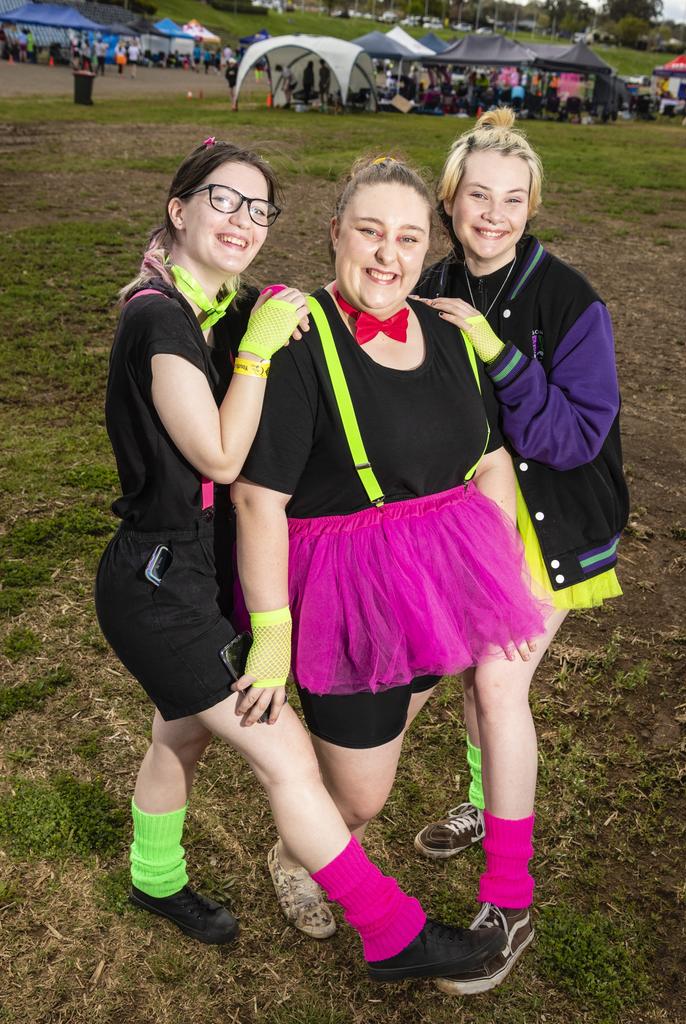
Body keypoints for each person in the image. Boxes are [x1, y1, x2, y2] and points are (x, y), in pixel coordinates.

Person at [95, 138, 505, 982]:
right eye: (222, 201)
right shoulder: (158, 317)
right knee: (285, 757)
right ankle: (393, 931)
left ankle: (154, 876)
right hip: (159, 578)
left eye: (257, 208)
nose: (242, 221)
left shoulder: (214, 304)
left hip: (193, 567)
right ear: (178, 209)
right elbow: (219, 459)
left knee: (180, 733)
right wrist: (257, 351)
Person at [232, 155, 548, 977]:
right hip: (348, 590)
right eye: (369, 231)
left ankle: (322, 835)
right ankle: (300, 848)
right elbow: (257, 501)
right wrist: (272, 632)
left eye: (407, 238)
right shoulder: (300, 340)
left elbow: (490, 455)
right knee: (365, 792)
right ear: (335, 232)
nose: (387, 255)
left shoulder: (446, 332)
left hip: (445, 575)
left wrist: (503, 568)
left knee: (389, 742)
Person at [411, 107, 629, 993]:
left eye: (511, 199)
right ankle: (478, 797)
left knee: (499, 682)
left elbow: (578, 436)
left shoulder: (569, 300)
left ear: (531, 205)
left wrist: (496, 351)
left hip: (554, 524)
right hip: (470, 523)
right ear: (450, 200)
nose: (492, 214)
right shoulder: (428, 280)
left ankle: (510, 899)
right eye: (476, 197)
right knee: (470, 680)